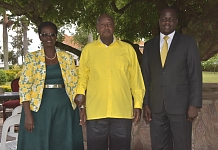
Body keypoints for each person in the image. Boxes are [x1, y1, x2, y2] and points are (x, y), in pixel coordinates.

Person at [74, 14, 145, 150]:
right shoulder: (88, 50)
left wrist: (137, 104)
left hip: (122, 111)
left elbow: (136, 79)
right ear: (97, 28)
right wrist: (82, 104)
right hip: (96, 112)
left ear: (114, 27)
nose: (106, 27)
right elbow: (82, 77)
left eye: (109, 24)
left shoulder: (127, 50)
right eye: (102, 24)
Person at [141, 6, 202, 150]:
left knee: (182, 145)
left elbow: (195, 74)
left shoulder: (188, 42)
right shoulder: (149, 46)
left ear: (176, 22)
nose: (167, 22)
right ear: (159, 21)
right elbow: (146, 76)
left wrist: (194, 104)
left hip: (181, 107)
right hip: (156, 107)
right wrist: (146, 103)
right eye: (164, 19)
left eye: (170, 19)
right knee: (159, 146)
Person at [17, 21, 84, 150]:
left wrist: (81, 108)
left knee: (62, 141)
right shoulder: (32, 58)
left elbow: (75, 83)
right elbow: (25, 86)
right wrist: (28, 114)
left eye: (52, 34)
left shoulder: (67, 58)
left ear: (56, 36)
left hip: (65, 107)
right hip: (38, 109)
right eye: (45, 34)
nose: (49, 38)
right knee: (38, 142)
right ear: (40, 37)